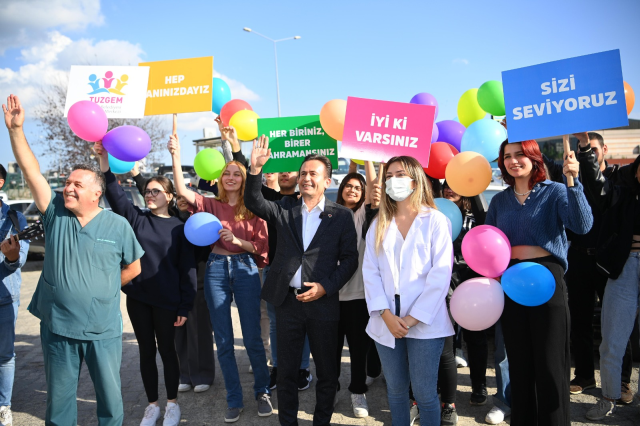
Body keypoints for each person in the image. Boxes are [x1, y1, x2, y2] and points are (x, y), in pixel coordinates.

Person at [4, 94, 144, 425]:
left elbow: (134, 267)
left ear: (97, 193)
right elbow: (32, 171)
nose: (67, 188)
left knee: (110, 403)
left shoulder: (117, 224)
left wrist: (105, 288)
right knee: (60, 404)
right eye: (66, 183)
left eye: (76, 184)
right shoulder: (55, 213)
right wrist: (15, 130)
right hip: (58, 329)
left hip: (103, 331)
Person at [245, 136, 359, 426]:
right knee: (285, 372)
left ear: (327, 181)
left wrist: (326, 287)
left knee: (327, 373)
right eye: (304, 173)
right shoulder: (283, 208)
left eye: (313, 174)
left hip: (323, 304)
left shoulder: (341, 216)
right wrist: (255, 170)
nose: (307, 178)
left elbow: (349, 260)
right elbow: (253, 200)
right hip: (288, 303)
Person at [486, 139, 592, 425]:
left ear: (534, 157)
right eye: (506, 156)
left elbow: (582, 225)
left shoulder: (555, 191)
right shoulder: (498, 201)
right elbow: (490, 247)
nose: (513, 160)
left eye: (519, 154)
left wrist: (574, 181)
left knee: (550, 364)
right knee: (519, 365)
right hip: (511, 282)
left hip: (547, 279)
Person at [169, 134, 272, 423]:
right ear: (218, 178)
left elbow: (260, 249)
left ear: (242, 179)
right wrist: (176, 155)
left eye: (235, 173)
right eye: (225, 173)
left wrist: (239, 242)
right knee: (224, 340)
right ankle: (234, 399)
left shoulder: (254, 207)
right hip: (215, 269)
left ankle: (262, 391)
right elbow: (180, 189)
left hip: (245, 268)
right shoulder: (209, 204)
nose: (229, 177)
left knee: (252, 337)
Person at [94, 141, 196, 426]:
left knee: (167, 351)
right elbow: (114, 194)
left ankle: (173, 404)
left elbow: (187, 270)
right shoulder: (136, 219)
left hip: (167, 301)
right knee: (146, 352)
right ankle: (152, 405)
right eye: (147, 191)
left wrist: (185, 306)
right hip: (138, 297)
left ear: (170, 196)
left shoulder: (180, 227)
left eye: (156, 191)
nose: (150, 195)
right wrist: (104, 160)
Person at [219, 118, 313, 391]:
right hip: (273, 269)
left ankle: (303, 369)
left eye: (291, 171)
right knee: (274, 323)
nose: (285, 174)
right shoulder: (271, 201)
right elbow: (250, 184)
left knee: (304, 323)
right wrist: (236, 148)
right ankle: (279, 368)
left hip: (305, 273)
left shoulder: (309, 203)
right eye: (280, 171)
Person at [363, 155, 454, 426]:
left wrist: (412, 319)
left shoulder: (435, 221)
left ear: (415, 180)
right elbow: (371, 272)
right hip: (385, 322)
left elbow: (440, 275)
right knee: (396, 391)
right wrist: (386, 315)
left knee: (426, 394)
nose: (392, 180)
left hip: (426, 323)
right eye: (388, 176)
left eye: (399, 174)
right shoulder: (379, 223)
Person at [551, 133, 635, 402]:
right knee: (580, 321)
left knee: (620, 325)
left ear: (604, 149)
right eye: (581, 148)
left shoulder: (620, 177)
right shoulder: (570, 176)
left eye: (592, 149)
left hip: (610, 261)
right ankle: (585, 375)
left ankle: (621, 382)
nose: (587, 153)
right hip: (578, 258)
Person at [576, 134, 640, 420]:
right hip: (624, 267)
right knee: (612, 339)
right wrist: (586, 149)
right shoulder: (622, 187)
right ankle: (609, 397)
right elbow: (596, 185)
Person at [442, 181, 512, 425]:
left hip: (474, 280)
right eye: (446, 187)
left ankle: (479, 386)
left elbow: (490, 234)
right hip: (446, 280)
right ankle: (445, 388)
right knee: (447, 337)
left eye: (455, 186)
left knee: (476, 337)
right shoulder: (437, 214)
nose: (450, 190)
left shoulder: (477, 214)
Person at [334, 161, 379, 418]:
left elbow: (374, 188)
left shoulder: (364, 215)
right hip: (329, 295)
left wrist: (369, 158)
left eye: (357, 188)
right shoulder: (328, 213)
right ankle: (329, 390)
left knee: (359, 348)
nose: (352, 190)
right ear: (340, 189)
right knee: (330, 350)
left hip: (358, 296)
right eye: (348, 186)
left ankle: (358, 391)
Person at [173, 196, 216, 394]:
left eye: (186, 197)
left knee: (199, 330)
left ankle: (203, 374)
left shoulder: (203, 220)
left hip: (199, 282)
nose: (182, 200)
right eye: (178, 196)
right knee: (179, 332)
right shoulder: (171, 219)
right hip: (175, 284)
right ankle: (185, 374)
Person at [0, 163, 29, 426]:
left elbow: (19, 261)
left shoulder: (14, 220)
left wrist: (11, 257)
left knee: (5, 355)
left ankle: (3, 407)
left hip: (4, 297)